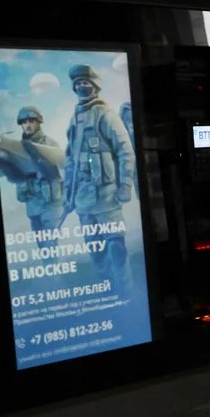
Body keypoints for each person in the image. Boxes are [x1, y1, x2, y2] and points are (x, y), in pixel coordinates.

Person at [62, 64, 137, 292]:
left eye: (85, 82)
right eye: (78, 84)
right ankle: (107, 287)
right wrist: (67, 194)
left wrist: (124, 186)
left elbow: (126, 151)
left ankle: (125, 290)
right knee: (95, 249)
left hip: (107, 196)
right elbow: (70, 161)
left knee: (116, 245)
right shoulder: (74, 119)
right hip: (83, 198)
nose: (81, 87)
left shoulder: (105, 114)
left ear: (95, 86)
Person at [11, 106, 64, 235]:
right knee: (41, 242)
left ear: (38, 122)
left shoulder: (50, 145)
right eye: (24, 122)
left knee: (50, 241)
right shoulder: (19, 148)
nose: (27, 125)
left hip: (50, 204)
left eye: (31, 121)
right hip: (32, 204)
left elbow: (62, 172)